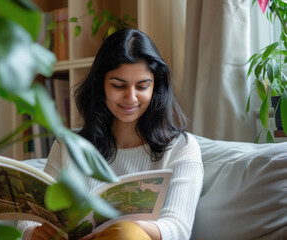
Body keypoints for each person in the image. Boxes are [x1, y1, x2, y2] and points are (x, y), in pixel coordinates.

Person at [17, 28, 203, 240]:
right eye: (118, 85)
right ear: (101, 85)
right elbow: (32, 215)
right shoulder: (69, 144)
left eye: (142, 86)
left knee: (126, 234)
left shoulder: (181, 147)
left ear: (155, 88)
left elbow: (178, 228)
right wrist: (32, 232)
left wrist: (120, 228)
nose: (131, 98)